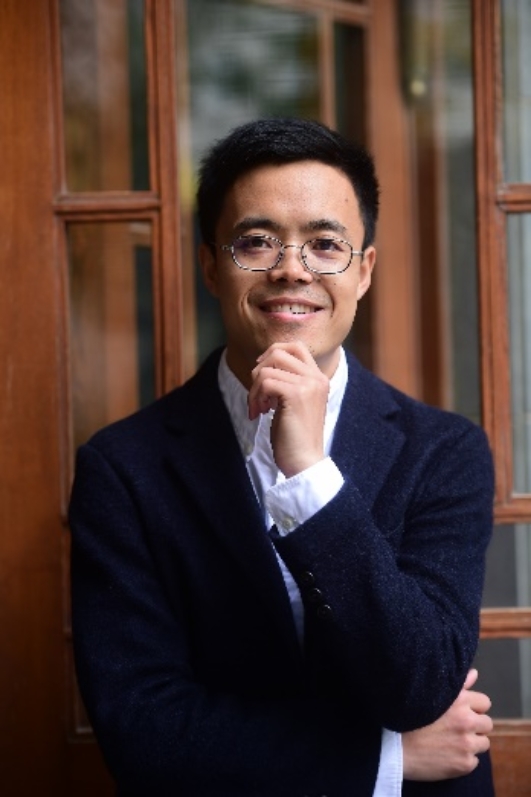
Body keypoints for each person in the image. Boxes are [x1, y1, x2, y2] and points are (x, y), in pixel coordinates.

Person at [69, 118, 495, 796]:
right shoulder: (122, 469)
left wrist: (311, 480)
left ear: (364, 271)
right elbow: (142, 731)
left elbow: (420, 684)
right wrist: (381, 759)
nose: (291, 268)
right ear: (210, 266)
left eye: (325, 244)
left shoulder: (444, 451)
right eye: (256, 242)